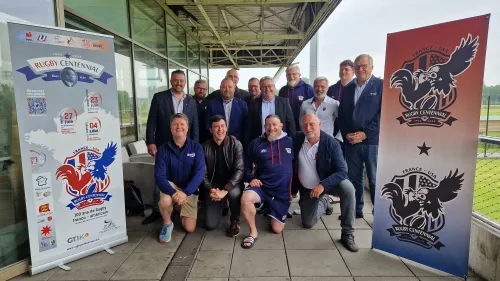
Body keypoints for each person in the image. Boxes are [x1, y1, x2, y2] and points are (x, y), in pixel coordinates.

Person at [295, 114, 358, 252]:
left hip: (328, 184)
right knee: (308, 223)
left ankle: (347, 233)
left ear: (320, 125)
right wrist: (264, 137)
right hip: (308, 189)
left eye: (312, 124)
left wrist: (322, 185)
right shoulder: (297, 138)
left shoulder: (332, 143)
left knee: (348, 189)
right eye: (305, 124)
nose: (308, 127)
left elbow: (342, 171)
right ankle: (325, 202)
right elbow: (278, 138)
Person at [144, 69, 199, 225]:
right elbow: (151, 121)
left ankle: (181, 204)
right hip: (164, 145)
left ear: (185, 82)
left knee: (185, 173)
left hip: (185, 146)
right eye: (176, 80)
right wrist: (150, 141)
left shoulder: (191, 100)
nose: (178, 83)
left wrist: (195, 144)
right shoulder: (159, 97)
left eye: (181, 80)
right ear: (170, 81)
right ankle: (157, 210)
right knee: (161, 177)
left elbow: (194, 124)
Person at [337, 54, 383, 218]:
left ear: (372, 67)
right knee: (354, 178)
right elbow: (341, 115)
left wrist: (365, 134)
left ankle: (379, 214)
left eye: (363, 66)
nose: (360, 69)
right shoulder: (348, 88)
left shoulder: (380, 86)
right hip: (351, 142)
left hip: (371, 142)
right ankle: (356, 210)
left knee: (374, 179)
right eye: (357, 67)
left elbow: (382, 114)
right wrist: (347, 134)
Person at [240, 115, 294, 249]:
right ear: (264, 127)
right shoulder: (256, 143)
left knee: (277, 229)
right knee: (246, 198)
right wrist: (251, 178)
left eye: (275, 124)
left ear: (281, 126)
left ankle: (271, 208)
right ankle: (253, 232)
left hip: (282, 192)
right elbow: (245, 165)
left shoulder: (291, 141)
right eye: (268, 125)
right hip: (263, 187)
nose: (271, 128)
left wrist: (294, 189)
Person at [154, 113, 205, 243]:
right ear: (171, 128)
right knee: (165, 201)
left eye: (182, 124)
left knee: (189, 228)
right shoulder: (163, 149)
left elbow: (199, 174)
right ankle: (167, 223)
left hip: (189, 190)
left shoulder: (197, 147)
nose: (179, 127)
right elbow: (159, 177)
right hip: (172, 187)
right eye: (175, 124)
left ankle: (177, 207)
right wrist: (175, 193)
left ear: (187, 128)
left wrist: (185, 193)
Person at [299, 76, 341, 205]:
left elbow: (342, 123)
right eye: (317, 86)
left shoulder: (334, 104)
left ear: (327, 88)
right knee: (306, 173)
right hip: (308, 143)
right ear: (313, 87)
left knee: (325, 172)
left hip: (326, 145)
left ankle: (325, 199)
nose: (319, 88)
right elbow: (301, 121)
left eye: (322, 86)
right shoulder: (305, 103)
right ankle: (305, 201)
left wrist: (337, 140)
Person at [202, 115, 244, 236]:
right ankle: (222, 204)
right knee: (210, 225)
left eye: (222, 126)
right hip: (213, 186)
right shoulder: (204, 147)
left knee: (234, 193)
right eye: (216, 127)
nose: (220, 129)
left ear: (226, 128)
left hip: (231, 184)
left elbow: (239, 170)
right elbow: (201, 174)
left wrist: (225, 191)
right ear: (211, 130)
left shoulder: (236, 144)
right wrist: (211, 189)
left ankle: (235, 220)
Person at [245, 76, 295, 146]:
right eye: (264, 87)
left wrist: (290, 143)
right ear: (260, 88)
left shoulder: (284, 102)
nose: (267, 89)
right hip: (260, 144)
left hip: (281, 143)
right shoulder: (253, 104)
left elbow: (291, 125)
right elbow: (249, 128)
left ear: (274, 86)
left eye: (269, 86)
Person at [206, 78, 248, 142]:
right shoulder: (212, 104)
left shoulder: (242, 105)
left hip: (237, 143)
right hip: (217, 142)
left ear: (234, 89)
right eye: (224, 87)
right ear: (220, 88)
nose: (227, 89)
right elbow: (207, 125)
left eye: (230, 87)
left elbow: (246, 126)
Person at [278, 64, 314, 132]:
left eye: (294, 74)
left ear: (299, 75)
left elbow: (313, 108)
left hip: (304, 127)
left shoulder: (307, 88)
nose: (291, 76)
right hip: (287, 127)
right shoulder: (282, 90)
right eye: (289, 74)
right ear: (286, 76)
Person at [193, 79, 210, 144]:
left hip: (206, 138)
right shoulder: (188, 102)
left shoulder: (210, 104)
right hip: (192, 136)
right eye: (199, 88)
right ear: (194, 89)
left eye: (204, 89)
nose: (201, 91)